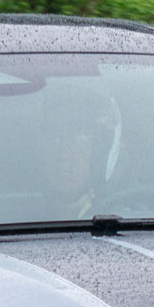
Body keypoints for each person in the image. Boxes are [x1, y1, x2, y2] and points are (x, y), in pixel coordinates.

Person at [36, 81, 120, 219]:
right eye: (55, 138)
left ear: (98, 152)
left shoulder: (131, 211)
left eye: (80, 140)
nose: (65, 153)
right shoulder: (8, 216)